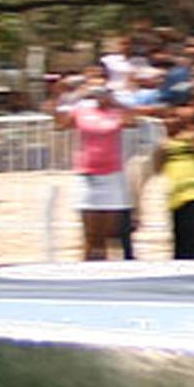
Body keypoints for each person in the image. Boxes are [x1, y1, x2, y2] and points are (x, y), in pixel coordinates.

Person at [67, 73, 135, 260]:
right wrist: (76, 96)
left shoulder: (116, 112)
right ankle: (88, 266)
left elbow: (132, 119)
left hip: (112, 173)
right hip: (87, 173)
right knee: (90, 232)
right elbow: (61, 122)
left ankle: (108, 267)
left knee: (110, 230)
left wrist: (114, 102)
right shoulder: (82, 109)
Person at [148, 108, 194, 260]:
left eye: (174, 117)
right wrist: (161, 149)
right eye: (167, 119)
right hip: (178, 192)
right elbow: (157, 168)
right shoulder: (164, 144)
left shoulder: (193, 136)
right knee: (182, 231)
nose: (170, 122)